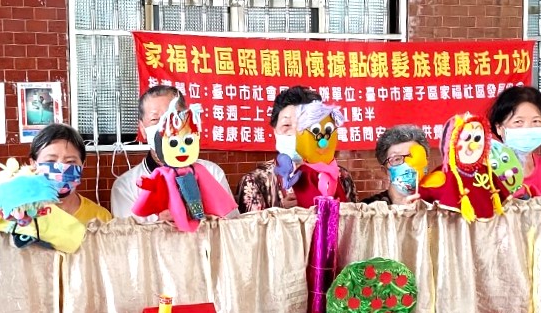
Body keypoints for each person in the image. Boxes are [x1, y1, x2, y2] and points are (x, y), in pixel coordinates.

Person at [110, 85, 236, 219]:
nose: (165, 127)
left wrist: (206, 219)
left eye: (173, 116)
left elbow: (233, 225)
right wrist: (161, 224)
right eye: (155, 120)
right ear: (142, 129)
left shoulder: (212, 173)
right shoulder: (126, 186)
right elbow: (127, 232)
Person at [236, 86, 357, 212]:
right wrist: (283, 212)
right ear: (274, 130)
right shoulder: (255, 182)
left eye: (304, 126)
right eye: (287, 125)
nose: (295, 133)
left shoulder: (341, 177)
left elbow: (356, 220)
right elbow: (250, 224)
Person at [487, 85, 541, 198]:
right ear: (499, 128)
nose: (527, 128)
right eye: (518, 122)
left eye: (536, 121)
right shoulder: (488, 172)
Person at [30, 123, 112, 224]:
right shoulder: (22, 216)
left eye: (70, 161)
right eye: (51, 161)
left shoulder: (101, 217)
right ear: (33, 164)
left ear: (82, 165)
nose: (61, 168)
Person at [362, 125, 429, 206]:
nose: (407, 164)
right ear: (385, 170)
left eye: (413, 156)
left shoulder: (439, 205)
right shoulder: (369, 208)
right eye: (397, 159)